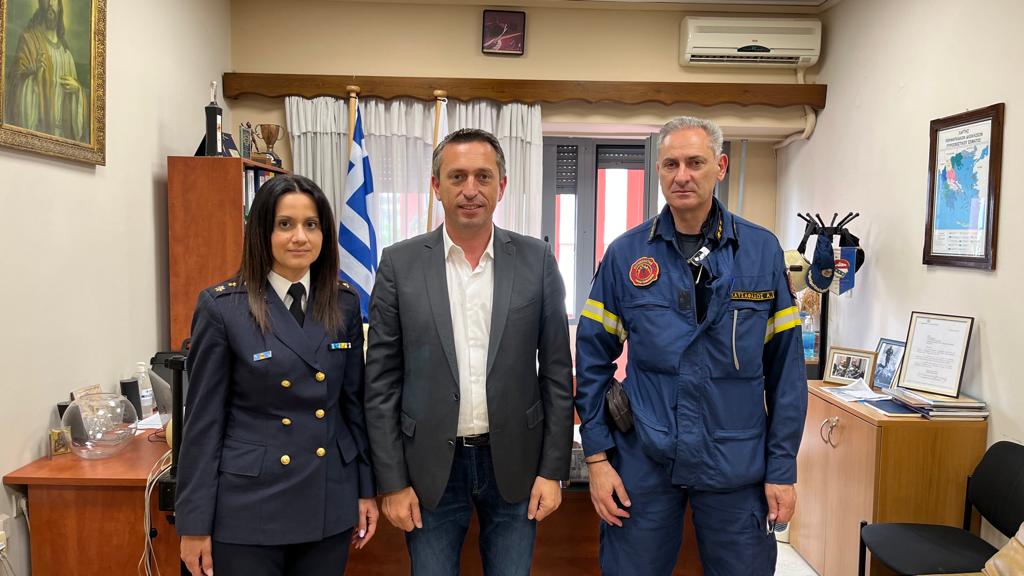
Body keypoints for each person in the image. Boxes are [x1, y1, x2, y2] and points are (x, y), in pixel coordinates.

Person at [574, 116, 808, 576]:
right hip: (645, 457)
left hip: (735, 462)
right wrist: (597, 458)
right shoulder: (627, 255)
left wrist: (782, 468)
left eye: (695, 163)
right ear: (658, 171)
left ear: (720, 167)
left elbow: (786, 375)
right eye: (671, 164)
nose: (682, 175)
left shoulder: (761, 251)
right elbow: (591, 360)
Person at [365, 128, 573, 575]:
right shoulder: (399, 264)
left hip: (515, 464)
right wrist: (392, 482)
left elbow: (557, 373)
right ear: (436, 186)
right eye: (457, 176)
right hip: (428, 470)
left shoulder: (537, 260)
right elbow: (380, 382)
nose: (471, 189)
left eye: (483, 176)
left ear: (502, 185)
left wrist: (552, 470)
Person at [176, 175, 378, 576]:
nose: (300, 237)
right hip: (250, 505)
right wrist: (194, 525)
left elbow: (354, 408)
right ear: (262, 232)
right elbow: (203, 423)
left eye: (311, 224)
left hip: (328, 496)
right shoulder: (224, 308)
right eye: (285, 224)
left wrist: (365, 489)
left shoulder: (343, 303)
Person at [10, 0, 87, 142]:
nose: (51, 3)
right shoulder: (29, 41)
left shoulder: (66, 54)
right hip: (38, 133)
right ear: (40, 4)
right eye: (47, 0)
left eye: (55, 1)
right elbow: (15, 87)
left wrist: (78, 90)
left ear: (60, 6)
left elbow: (78, 121)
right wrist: (34, 77)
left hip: (64, 139)